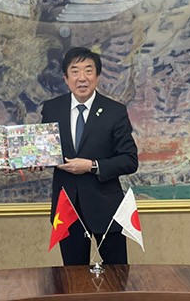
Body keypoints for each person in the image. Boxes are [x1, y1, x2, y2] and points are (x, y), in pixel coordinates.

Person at [40, 46, 138, 265]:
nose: (81, 78)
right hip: (67, 209)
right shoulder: (52, 109)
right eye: (75, 71)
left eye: (88, 71)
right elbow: (44, 151)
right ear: (65, 78)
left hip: (106, 209)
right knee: (73, 280)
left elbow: (130, 160)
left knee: (117, 276)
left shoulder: (115, 111)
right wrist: (30, 161)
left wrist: (93, 166)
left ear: (97, 76)